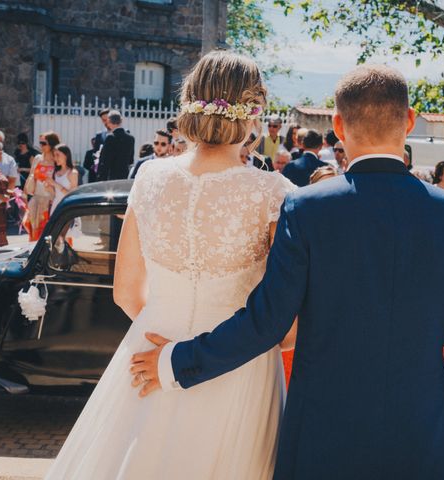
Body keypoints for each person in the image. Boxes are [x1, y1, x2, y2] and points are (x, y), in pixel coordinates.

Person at [134, 63, 444, 479]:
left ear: (338, 125)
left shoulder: (307, 210)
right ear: (409, 121)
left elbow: (267, 322)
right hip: (421, 435)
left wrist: (178, 361)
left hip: (321, 436)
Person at [45, 51, 296, 480]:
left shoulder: (149, 176)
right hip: (239, 365)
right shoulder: (273, 191)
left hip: (148, 349)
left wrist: (165, 326)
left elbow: (125, 291)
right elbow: (284, 319)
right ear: (254, 111)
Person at [23, 131, 59, 241]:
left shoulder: (57, 159)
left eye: (44, 143)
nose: (41, 146)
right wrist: (25, 196)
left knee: (49, 232)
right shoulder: (38, 158)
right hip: (37, 199)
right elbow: (31, 176)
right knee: (34, 231)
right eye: (40, 143)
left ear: (52, 144)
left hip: (50, 200)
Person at [97, 110, 135, 181]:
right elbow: (130, 160)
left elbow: (105, 161)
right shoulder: (131, 138)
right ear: (121, 121)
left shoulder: (110, 138)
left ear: (109, 122)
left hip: (111, 176)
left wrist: (101, 177)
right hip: (125, 175)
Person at [46, 144, 78, 215]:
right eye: (54, 155)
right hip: (56, 206)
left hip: (67, 207)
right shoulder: (55, 172)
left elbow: (72, 195)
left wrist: (55, 184)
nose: (55, 158)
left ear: (66, 155)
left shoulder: (72, 173)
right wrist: (48, 187)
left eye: (58, 155)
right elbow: (55, 194)